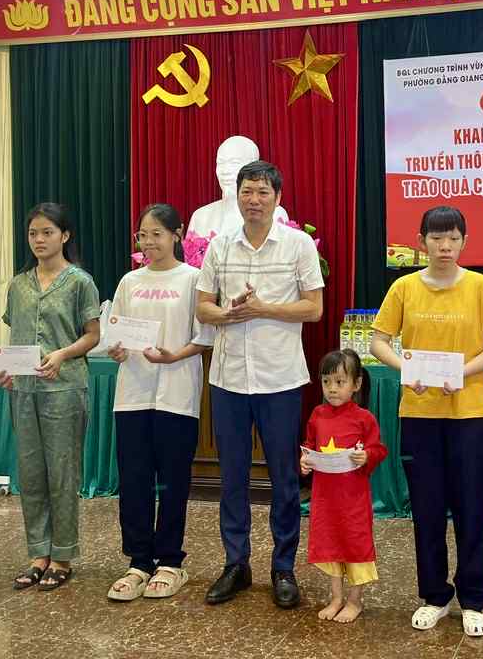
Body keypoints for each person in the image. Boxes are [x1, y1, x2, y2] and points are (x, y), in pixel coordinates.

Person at [368, 205, 483, 638]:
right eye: (436, 238)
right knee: (426, 510)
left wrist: (462, 373)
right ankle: (434, 596)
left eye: (452, 238)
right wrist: (407, 371)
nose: (444, 246)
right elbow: (378, 342)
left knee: (471, 508)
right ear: (421, 241)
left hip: (471, 415)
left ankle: (474, 599)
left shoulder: (481, 286)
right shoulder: (404, 287)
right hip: (419, 415)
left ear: (464, 242)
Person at [196, 160, 324, 609]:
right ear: (237, 195)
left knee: (284, 479)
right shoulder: (220, 246)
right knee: (232, 477)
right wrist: (228, 313)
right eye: (247, 191)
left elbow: (313, 308)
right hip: (229, 379)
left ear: (277, 198)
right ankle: (237, 564)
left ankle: (283, 567)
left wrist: (264, 308)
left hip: (280, 378)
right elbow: (203, 308)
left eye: (262, 192)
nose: (254, 200)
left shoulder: (297, 245)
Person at [106, 203, 211, 602]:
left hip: (176, 394)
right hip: (132, 394)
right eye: (143, 235)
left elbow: (204, 337)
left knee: (172, 480)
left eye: (157, 234)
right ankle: (138, 562)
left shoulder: (193, 279)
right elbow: (115, 332)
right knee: (134, 480)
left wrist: (173, 356)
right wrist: (116, 350)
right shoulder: (129, 281)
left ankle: (170, 561)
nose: (148, 242)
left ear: (177, 234)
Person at [0, 202, 101, 592]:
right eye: (33, 233)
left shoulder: (79, 282)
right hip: (24, 390)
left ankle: (62, 556)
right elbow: (16, 334)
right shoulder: (18, 285)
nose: (39, 240)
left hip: (65, 389)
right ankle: (37, 554)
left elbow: (93, 335)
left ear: (65, 236)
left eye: (47, 232)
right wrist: (8, 369)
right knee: (31, 474)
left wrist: (62, 354)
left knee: (62, 473)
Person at [299, 349, 387, 623]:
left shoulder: (364, 418)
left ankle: (354, 600)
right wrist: (304, 461)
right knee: (330, 543)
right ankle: (336, 598)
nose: (332, 389)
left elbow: (378, 449)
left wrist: (367, 456)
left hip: (353, 499)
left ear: (356, 384)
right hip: (325, 498)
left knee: (354, 544)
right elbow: (309, 446)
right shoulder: (317, 414)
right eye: (326, 382)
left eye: (340, 382)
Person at [187, 136, 289, 239]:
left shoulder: (274, 213)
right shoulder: (200, 216)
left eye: (234, 163)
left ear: (254, 168)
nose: (225, 171)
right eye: (221, 163)